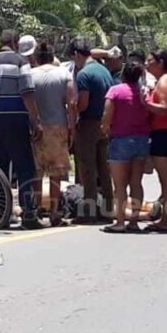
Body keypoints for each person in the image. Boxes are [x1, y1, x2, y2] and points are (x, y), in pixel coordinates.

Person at [0, 30, 44, 229]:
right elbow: (27, 92)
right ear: (16, 43)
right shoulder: (19, 62)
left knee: (0, 168)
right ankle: (29, 214)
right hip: (16, 121)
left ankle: (2, 213)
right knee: (25, 167)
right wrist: (35, 122)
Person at [101, 62, 151, 233]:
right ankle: (134, 221)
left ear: (123, 74)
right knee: (136, 182)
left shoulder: (115, 91)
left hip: (121, 139)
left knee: (120, 184)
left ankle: (120, 221)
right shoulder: (143, 92)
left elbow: (107, 113)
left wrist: (106, 128)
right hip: (142, 140)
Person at [30, 42, 77, 226]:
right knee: (56, 173)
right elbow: (71, 103)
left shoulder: (30, 75)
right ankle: (55, 212)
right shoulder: (64, 74)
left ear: (36, 58)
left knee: (37, 171)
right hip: (58, 127)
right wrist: (72, 128)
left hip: (36, 127)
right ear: (52, 56)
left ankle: (37, 208)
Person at [72, 40, 115, 223]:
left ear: (76, 54)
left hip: (89, 123)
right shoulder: (104, 70)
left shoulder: (84, 75)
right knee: (104, 169)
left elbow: (83, 104)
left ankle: (89, 212)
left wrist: (73, 107)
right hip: (104, 123)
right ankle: (107, 210)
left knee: (87, 168)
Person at [144, 49, 167, 232]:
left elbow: (164, 108)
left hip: (164, 134)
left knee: (166, 181)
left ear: (160, 63)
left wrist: (145, 104)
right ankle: (165, 218)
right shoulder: (162, 81)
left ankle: (166, 220)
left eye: (150, 60)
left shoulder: (165, 81)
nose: (146, 63)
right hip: (164, 133)